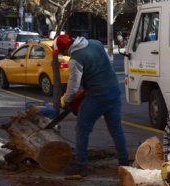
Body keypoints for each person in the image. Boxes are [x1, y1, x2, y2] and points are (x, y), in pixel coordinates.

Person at [55, 34, 129, 177]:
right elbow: (106, 64)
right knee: (116, 130)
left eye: (63, 52)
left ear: (65, 48)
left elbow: (73, 86)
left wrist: (66, 100)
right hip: (113, 89)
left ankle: (81, 165)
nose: (64, 54)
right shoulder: (95, 42)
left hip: (97, 95)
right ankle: (124, 163)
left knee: (82, 128)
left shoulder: (76, 58)